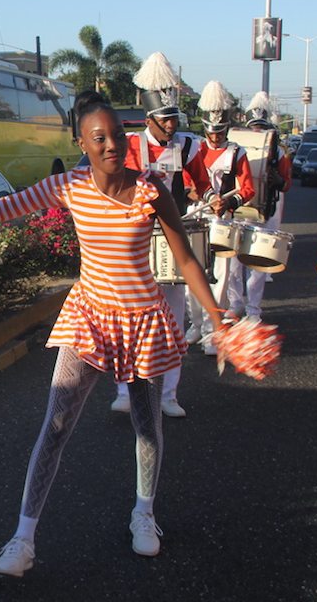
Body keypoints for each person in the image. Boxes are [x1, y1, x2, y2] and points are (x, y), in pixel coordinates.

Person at [0, 94, 226, 577]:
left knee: (147, 426)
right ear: (82, 144)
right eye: (100, 138)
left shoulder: (153, 189)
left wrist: (217, 316)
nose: (113, 145)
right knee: (55, 425)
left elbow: (186, 259)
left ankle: (144, 514)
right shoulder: (68, 186)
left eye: (117, 135)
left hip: (144, 322)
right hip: (89, 318)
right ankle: (22, 540)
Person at [109, 85, 211, 418]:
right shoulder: (131, 145)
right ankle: (125, 391)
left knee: (173, 318)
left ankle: (168, 394)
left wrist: (208, 197)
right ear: (149, 118)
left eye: (173, 118)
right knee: (129, 319)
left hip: (174, 235)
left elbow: (204, 185)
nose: (171, 125)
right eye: (165, 119)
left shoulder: (188, 146)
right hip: (135, 239)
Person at [184, 81, 254, 355]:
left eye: (220, 132)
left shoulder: (238, 152)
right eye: (211, 132)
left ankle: (214, 331)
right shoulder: (194, 149)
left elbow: (248, 188)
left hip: (223, 219)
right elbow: (189, 184)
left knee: (222, 277)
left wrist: (228, 201)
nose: (215, 138)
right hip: (196, 217)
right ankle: (196, 325)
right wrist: (204, 199)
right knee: (193, 273)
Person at [231, 92, 292, 320]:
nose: (257, 131)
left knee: (257, 262)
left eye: (261, 127)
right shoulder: (237, 149)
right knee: (234, 262)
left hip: (265, 211)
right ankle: (235, 303)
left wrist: (275, 179)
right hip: (240, 209)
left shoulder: (279, 151)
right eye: (253, 127)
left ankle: (254, 310)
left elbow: (286, 184)